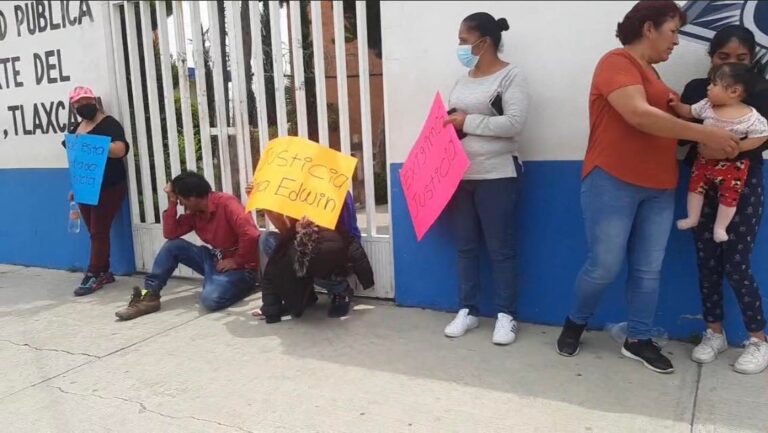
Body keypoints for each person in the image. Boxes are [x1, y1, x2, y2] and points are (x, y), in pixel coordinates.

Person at [554, 1, 741, 374]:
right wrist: (704, 132)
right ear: (649, 28)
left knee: (648, 270)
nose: (676, 42)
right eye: (672, 31)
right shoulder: (616, 63)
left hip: (660, 186)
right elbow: (637, 114)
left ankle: (638, 338)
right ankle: (576, 320)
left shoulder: (657, 80)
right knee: (604, 266)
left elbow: (676, 121)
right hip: (612, 179)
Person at [677, 25, 768, 375]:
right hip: (702, 185)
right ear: (710, 57)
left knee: (737, 263)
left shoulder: (759, 92)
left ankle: (758, 340)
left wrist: (731, 148)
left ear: (753, 59)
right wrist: (699, 140)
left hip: (743, 186)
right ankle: (713, 332)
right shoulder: (698, 91)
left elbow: (764, 136)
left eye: (741, 58)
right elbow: (680, 130)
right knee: (707, 261)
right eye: (723, 56)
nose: (731, 63)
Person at [441, 12, 529, 346]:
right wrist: (447, 122)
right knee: (465, 247)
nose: (460, 46)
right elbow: (455, 119)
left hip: (497, 174)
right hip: (461, 176)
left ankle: (506, 315)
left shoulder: (511, 76)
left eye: (464, 40)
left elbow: (514, 123)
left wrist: (467, 122)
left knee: (500, 248)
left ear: (483, 41)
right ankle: (468, 309)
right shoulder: (462, 79)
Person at [115, 172, 259, 320]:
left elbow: (251, 234)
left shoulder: (227, 203)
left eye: (181, 199)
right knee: (173, 246)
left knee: (210, 299)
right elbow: (171, 233)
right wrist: (171, 202)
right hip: (216, 261)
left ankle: (242, 286)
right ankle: (149, 296)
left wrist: (237, 261)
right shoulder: (195, 212)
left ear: (193, 197)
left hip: (242, 268)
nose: (181, 204)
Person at [246, 183, 373, 322]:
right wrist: (264, 203)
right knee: (270, 240)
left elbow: (346, 238)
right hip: (307, 244)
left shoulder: (337, 191)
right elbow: (286, 231)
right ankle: (303, 294)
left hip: (336, 246)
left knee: (319, 253)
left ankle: (340, 291)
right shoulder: (293, 190)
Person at [672, 63, 768, 242]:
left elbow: (762, 135)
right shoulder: (707, 105)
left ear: (733, 91)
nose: (708, 87)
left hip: (732, 166)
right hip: (703, 161)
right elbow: (689, 111)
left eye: (714, 84)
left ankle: (720, 227)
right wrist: (677, 105)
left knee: (730, 196)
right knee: (695, 188)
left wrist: (739, 147)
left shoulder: (750, 115)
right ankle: (692, 218)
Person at [62, 86, 129, 297]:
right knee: (94, 231)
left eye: (86, 101)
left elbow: (121, 150)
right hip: (85, 188)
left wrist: (95, 145)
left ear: (95, 101)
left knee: (99, 231)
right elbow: (77, 161)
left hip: (109, 186)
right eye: (78, 104)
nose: (83, 106)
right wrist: (75, 187)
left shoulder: (109, 124)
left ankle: (93, 273)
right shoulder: (76, 129)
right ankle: (104, 271)